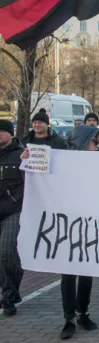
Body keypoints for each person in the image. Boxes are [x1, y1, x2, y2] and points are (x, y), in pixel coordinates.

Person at [58, 126, 99, 339]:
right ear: (81, 142)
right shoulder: (63, 163)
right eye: (93, 142)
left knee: (87, 271)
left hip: (91, 224)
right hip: (69, 224)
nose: (96, 146)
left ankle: (83, 312)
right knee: (68, 273)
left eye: (98, 142)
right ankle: (68, 317)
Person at [0, 119, 24, 316]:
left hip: (13, 211)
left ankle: (8, 295)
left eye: (2, 131)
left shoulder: (21, 155)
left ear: (11, 133)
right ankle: (9, 292)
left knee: (7, 252)